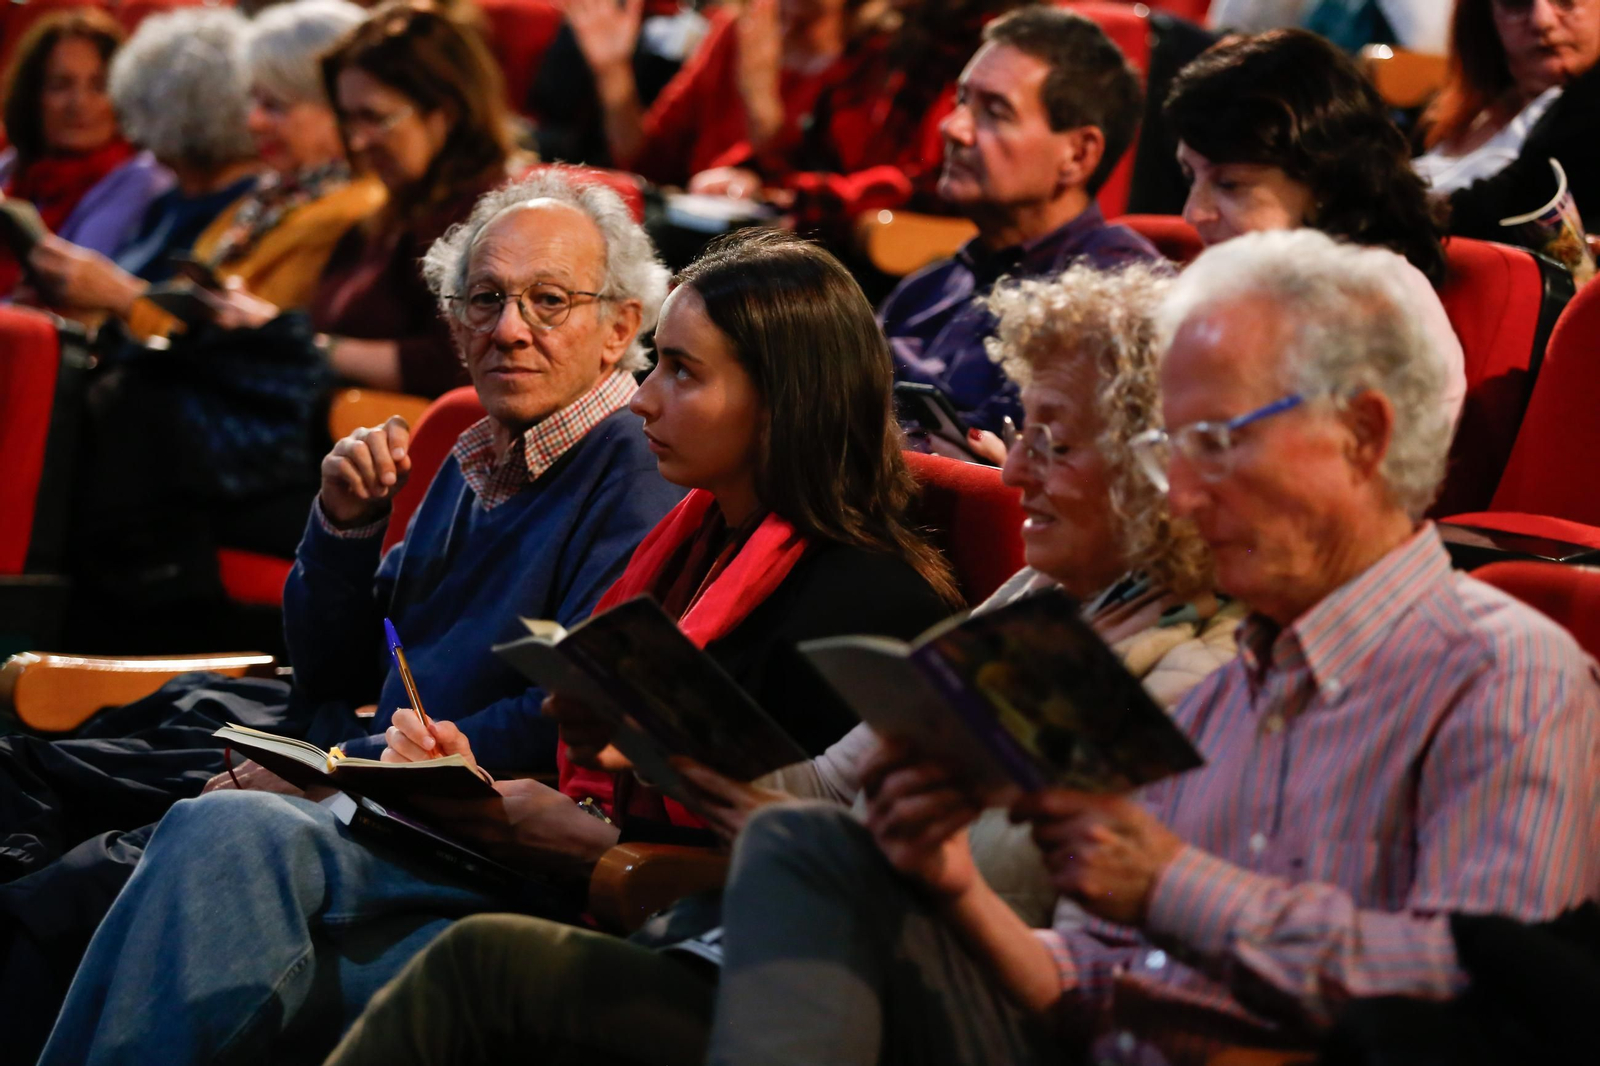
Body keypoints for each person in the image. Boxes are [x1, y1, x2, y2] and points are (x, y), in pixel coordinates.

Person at [659, 229, 1599, 1065]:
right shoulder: (1230, 691)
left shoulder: (1504, 673)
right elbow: (1103, 983)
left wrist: (1170, 884)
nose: (1180, 499)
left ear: (1360, 435)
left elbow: (1484, 991)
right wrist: (951, 886)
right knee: (807, 847)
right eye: (1168, 455)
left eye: (1216, 445)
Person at [36, 229, 959, 1065]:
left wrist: (585, 844)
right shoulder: (690, 539)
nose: (643, 399)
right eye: (483, 301)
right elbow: (353, 656)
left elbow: (841, 878)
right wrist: (456, 770)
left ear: (780, 403)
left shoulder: (866, 600)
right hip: (519, 859)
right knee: (213, 827)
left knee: (218, 851)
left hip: (648, 927)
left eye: (681, 372)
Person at [309, 260, 1251, 1066]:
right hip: (798, 935)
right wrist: (651, 737)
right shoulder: (1044, 600)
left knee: (477, 965)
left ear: (1156, 469)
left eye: (1055, 442)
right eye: (1026, 435)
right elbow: (822, 797)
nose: (1013, 472)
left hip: (926, 992)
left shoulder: (1200, 672)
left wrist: (911, 866)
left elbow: (1079, 953)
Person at [1, 169, 685, 1062]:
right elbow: (335, 662)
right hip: (347, 769)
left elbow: (555, 722)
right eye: (485, 300)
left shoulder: (632, 467)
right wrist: (343, 529)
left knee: (74, 891)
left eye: (549, 301)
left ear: (620, 328)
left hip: (442, 826)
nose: (511, 330)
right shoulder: (480, 448)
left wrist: (334, 769)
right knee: (24, 781)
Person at [23, 0, 384, 340]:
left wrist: (120, 296)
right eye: (253, 99)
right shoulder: (271, 197)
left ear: (338, 106)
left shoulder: (349, 213)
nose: (253, 121)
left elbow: (243, 349)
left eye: (275, 105)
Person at [882, 6, 1162, 445]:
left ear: (1078, 155)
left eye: (994, 112)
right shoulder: (927, 289)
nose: (953, 128)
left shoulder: (1114, 301)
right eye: (961, 101)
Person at [1164, 28, 1468, 429]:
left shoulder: (1376, 305)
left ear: (1324, 183)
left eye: (1229, 184)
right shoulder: (1247, 288)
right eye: (1191, 177)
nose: (1193, 213)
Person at [308, 0, 519, 397]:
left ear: (446, 112)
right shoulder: (389, 210)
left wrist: (318, 350)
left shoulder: (486, 221)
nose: (356, 141)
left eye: (374, 118)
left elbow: (456, 361)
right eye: (348, 118)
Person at [689, 0, 1021, 245]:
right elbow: (822, 148)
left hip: (902, 260)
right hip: (835, 233)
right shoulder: (889, 35)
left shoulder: (1002, 44)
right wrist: (752, 173)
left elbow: (938, 185)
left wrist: (796, 195)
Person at [24, 7, 260, 308]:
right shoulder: (169, 200)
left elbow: (206, 321)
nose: (131, 124)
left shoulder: (241, 210)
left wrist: (116, 295)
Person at [566, 0, 883, 188]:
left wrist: (760, 100)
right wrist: (613, 71)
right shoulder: (734, 31)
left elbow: (821, 199)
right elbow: (648, 162)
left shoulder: (873, 60)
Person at [0, 9, 170, 297]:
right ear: (32, 96)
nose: (79, 103)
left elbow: (65, 290)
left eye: (98, 86)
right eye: (60, 85)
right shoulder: (13, 167)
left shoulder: (141, 179)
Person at [1416, 0, 1600, 243]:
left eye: (1565, 1)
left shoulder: (1587, 110)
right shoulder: (1449, 111)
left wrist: (1380, 209)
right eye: (1515, 3)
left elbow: (1512, 201)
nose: (1541, 22)